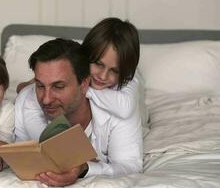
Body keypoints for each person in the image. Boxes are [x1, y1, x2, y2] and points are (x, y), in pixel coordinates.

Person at [14, 38, 143, 186]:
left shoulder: (121, 109)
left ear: (84, 84)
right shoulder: (26, 101)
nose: (46, 100)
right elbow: (21, 152)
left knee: (134, 83)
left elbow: (130, 166)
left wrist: (84, 167)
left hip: (127, 98)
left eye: (59, 86)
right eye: (40, 85)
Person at [16, 17, 148, 135]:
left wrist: (81, 89)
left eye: (114, 70)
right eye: (98, 64)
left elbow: (125, 108)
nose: (103, 76)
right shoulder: (80, 65)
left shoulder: (129, 80)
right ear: (86, 56)